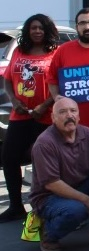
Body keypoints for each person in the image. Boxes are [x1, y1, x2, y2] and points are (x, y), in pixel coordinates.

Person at [0, 14, 60, 223]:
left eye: (41, 28)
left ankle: (47, 206)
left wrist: (44, 106)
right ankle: (16, 206)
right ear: (28, 31)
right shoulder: (19, 51)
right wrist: (15, 102)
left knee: (45, 162)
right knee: (9, 157)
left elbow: (60, 85)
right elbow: (8, 80)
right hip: (21, 115)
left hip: (47, 117)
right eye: (33, 28)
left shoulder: (56, 53)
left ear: (48, 31)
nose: (37, 31)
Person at [28, 97, 89, 251]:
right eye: (62, 112)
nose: (69, 115)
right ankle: (49, 234)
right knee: (77, 211)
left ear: (78, 116)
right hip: (49, 196)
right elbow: (52, 183)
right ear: (53, 118)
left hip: (81, 186)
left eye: (73, 111)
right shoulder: (44, 143)